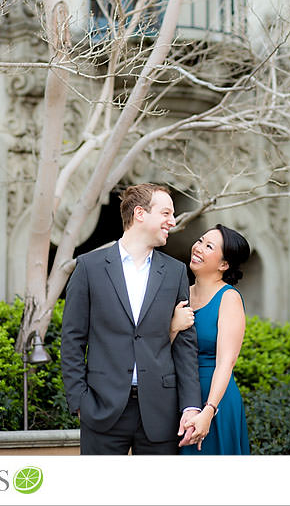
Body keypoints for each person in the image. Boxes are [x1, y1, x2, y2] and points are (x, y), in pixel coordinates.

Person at [60, 183, 201, 454]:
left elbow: (185, 345)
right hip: (102, 409)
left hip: (162, 411)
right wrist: (79, 400)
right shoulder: (89, 267)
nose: (172, 221)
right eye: (166, 213)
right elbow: (72, 339)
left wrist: (190, 405)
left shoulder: (175, 272)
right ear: (140, 214)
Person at [170, 224, 251, 454]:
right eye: (200, 240)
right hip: (178, 394)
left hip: (214, 399)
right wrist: (174, 326)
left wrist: (209, 410)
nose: (198, 247)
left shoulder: (229, 298)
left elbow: (226, 363)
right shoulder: (180, 292)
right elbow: (156, 347)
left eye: (208, 246)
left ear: (224, 265)